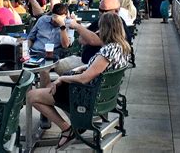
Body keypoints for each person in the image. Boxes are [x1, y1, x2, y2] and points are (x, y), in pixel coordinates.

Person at [26, 12, 130, 149]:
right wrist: (81, 68)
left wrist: (62, 78)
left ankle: (66, 129)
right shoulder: (122, 48)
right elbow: (97, 68)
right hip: (102, 95)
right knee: (48, 89)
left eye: (100, 28)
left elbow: (84, 78)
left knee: (32, 96)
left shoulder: (108, 51)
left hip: (85, 96)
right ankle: (73, 126)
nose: (98, 31)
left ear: (105, 29)